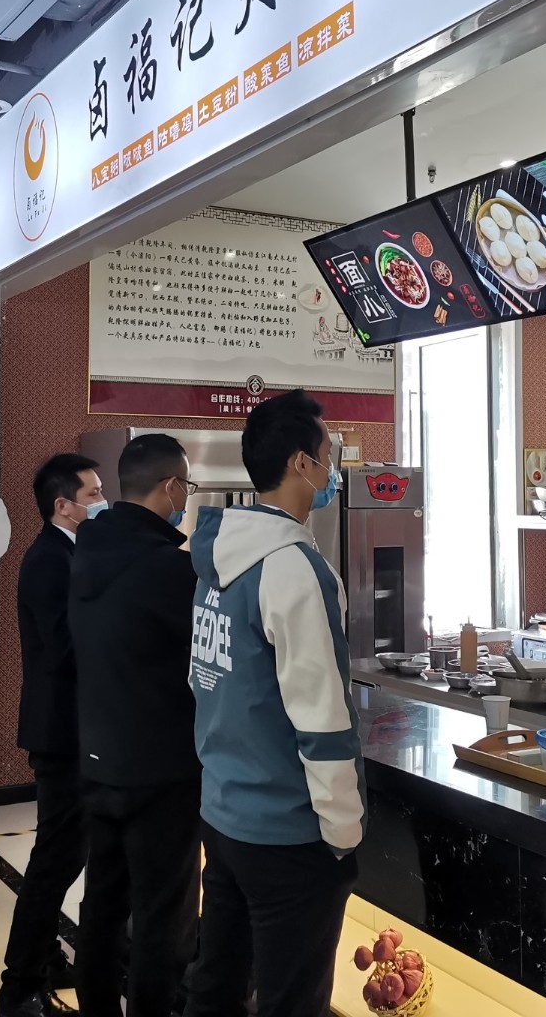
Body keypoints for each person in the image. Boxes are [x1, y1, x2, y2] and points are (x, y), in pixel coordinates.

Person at [183, 390, 363, 1017]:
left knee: (217, 984)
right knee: (291, 999)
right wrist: (342, 831)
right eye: (327, 455)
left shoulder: (216, 560)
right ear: (300, 464)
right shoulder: (293, 569)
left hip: (224, 811)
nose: (332, 468)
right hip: (288, 832)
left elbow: (205, 680)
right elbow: (322, 714)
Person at [69, 434, 204, 1017]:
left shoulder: (86, 552)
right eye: (186, 486)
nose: (186, 497)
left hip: (98, 757)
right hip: (161, 769)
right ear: (171, 487)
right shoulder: (167, 569)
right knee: (161, 916)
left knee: (103, 902)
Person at [0, 452, 106, 1017]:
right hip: (61, 732)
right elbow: (64, 648)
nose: (102, 501)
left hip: (72, 728)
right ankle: (19, 986)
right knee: (55, 860)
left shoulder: (69, 552)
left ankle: (43, 955)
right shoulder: (48, 560)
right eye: (93, 494)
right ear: (63, 505)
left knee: (65, 854)